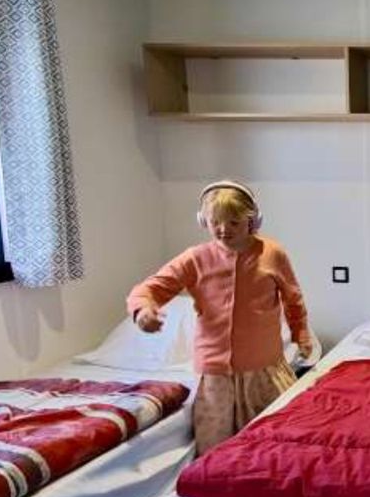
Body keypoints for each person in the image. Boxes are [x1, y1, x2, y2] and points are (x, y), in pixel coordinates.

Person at [127, 180, 314, 454]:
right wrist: (143, 309)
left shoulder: (272, 254)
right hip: (215, 373)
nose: (224, 230)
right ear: (204, 221)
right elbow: (150, 289)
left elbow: (293, 299)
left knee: (275, 441)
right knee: (215, 445)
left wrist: (301, 334)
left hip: (264, 368)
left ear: (252, 221)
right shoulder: (195, 259)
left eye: (234, 222)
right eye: (215, 222)